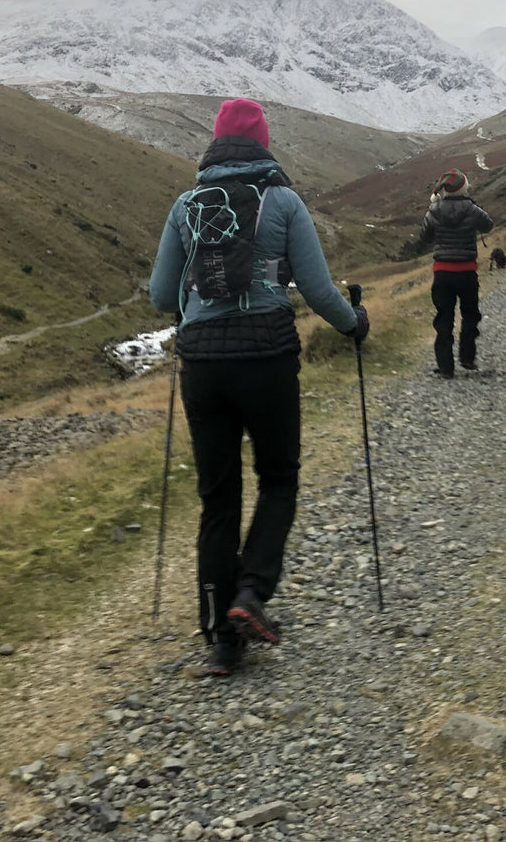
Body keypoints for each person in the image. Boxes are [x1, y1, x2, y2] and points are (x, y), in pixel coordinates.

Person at [149, 98, 370, 677]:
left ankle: (223, 640)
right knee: (278, 479)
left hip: (203, 364)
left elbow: (159, 294)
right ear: (262, 143)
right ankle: (251, 593)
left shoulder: (185, 205)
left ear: (215, 145)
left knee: (217, 501)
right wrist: (355, 325)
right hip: (268, 357)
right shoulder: (285, 201)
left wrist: (193, 312)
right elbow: (321, 291)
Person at [414, 170, 495, 378]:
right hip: (467, 271)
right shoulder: (472, 209)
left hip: (442, 272)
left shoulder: (433, 211)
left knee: (443, 319)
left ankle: (445, 367)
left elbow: (424, 238)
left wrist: (435, 204)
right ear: (464, 187)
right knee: (470, 315)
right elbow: (488, 225)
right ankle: (467, 358)